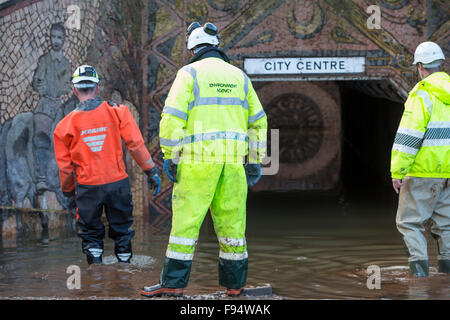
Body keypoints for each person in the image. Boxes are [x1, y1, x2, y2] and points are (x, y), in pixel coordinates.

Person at [141, 22, 267, 297]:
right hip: (232, 166)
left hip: (197, 164)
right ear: (217, 45)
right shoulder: (239, 77)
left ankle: (173, 285)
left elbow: (172, 118)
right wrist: (255, 160)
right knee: (233, 226)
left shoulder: (189, 74)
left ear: (192, 46)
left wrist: (171, 157)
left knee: (185, 227)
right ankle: (235, 286)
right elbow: (258, 122)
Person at [53, 65, 161, 265]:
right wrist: (151, 170)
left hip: (87, 189)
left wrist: (69, 193)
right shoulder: (118, 112)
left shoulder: (63, 127)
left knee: (91, 235)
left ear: (75, 90)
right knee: (122, 232)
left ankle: (96, 282)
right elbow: (135, 145)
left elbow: (66, 169)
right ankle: (125, 279)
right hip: (117, 185)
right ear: (96, 88)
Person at [391, 41, 449, 276]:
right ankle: (446, 279)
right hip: (447, 173)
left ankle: (420, 279)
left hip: (423, 171)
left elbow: (409, 137)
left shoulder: (422, 93)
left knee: (410, 223)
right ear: (441, 64)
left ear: (421, 66)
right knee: (446, 225)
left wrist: (398, 171)